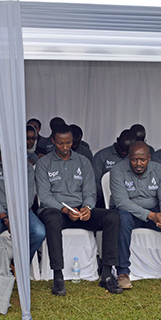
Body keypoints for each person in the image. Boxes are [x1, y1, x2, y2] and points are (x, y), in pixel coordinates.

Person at [36, 124, 122, 295]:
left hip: (80, 211)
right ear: (53, 141)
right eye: (61, 143)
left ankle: (106, 274)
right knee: (52, 220)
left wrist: (88, 207)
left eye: (68, 143)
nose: (65, 147)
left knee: (112, 217)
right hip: (56, 210)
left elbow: (90, 191)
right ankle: (58, 275)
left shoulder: (83, 161)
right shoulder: (43, 163)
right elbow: (44, 196)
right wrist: (65, 210)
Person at [110, 142, 161, 289]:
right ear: (128, 157)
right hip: (130, 213)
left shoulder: (158, 169)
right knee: (121, 219)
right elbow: (122, 202)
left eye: (143, 160)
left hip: (155, 211)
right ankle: (123, 273)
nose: (138, 163)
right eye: (134, 160)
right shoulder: (117, 170)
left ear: (149, 158)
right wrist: (151, 216)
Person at [0, 125, 46, 257]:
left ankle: (20, 262)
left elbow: (29, 195)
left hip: (22, 211)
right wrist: (5, 218)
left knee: (39, 232)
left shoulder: (26, 167)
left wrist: (17, 217)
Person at [92, 129, 137, 206]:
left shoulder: (136, 158)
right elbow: (95, 183)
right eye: (122, 148)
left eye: (128, 151)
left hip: (133, 198)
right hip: (105, 198)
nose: (124, 152)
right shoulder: (101, 156)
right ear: (117, 140)